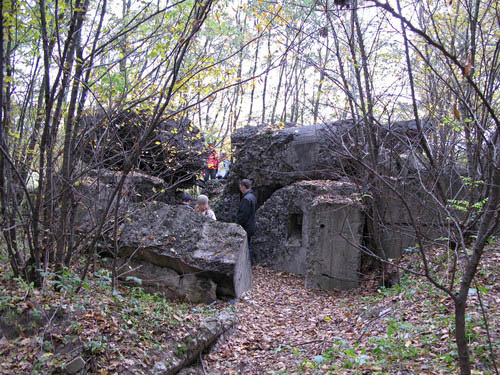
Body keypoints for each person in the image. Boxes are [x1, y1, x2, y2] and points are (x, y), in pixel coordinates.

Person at [237, 179, 256, 259]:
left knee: (246, 247)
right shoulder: (252, 196)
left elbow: (243, 215)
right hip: (251, 225)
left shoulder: (246, 199)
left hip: (246, 227)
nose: (240, 189)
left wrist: (237, 225)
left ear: (244, 187)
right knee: (248, 245)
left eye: (241, 187)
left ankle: (248, 265)